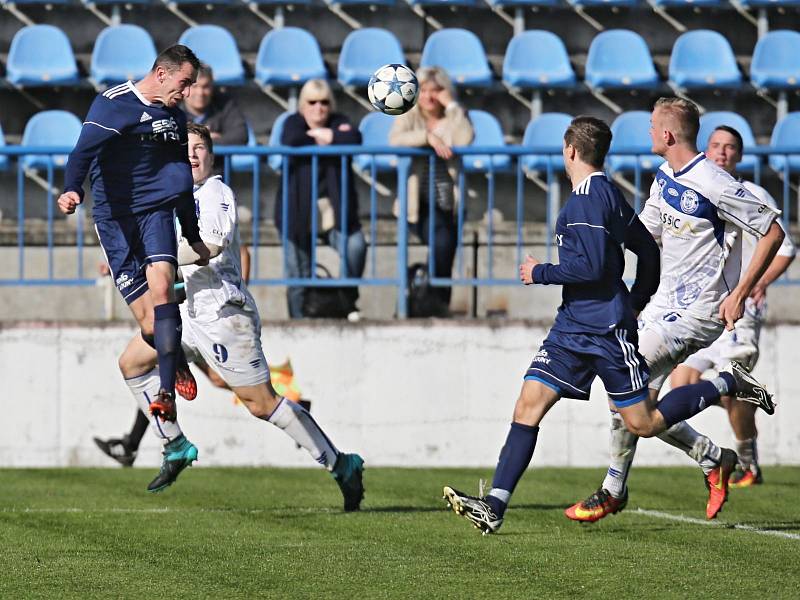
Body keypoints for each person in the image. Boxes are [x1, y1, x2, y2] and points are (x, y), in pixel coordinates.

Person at [442, 115, 775, 535]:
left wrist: (540, 271)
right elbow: (645, 251)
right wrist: (637, 299)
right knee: (528, 406)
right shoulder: (609, 194)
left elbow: (595, 265)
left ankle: (726, 385)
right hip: (571, 328)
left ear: (570, 151)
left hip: (604, 332)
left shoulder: (587, 201)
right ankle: (494, 505)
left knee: (643, 422)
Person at [113, 123, 364, 510]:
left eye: (200, 148)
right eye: (186, 149)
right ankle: (175, 443)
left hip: (223, 317)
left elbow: (211, 246)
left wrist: (156, 258)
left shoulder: (215, 193)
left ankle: (341, 464)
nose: (192, 154)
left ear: (211, 157)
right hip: (189, 311)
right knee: (131, 362)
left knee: (262, 405)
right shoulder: (178, 199)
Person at [564, 99, 785, 524]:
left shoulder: (713, 182)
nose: (647, 133)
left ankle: (724, 381)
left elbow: (773, 232)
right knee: (638, 409)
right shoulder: (665, 177)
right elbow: (644, 233)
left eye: (651, 127)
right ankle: (711, 457)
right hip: (662, 306)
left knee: (623, 384)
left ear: (667, 135)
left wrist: (741, 291)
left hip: (698, 312)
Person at [58, 45, 210, 421]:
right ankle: (172, 357)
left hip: (155, 213)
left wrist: (192, 234)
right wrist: (72, 188)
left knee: (162, 288)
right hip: (115, 219)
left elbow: (180, 181)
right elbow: (82, 152)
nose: (187, 92)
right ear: (162, 74)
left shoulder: (173, 117)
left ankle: (165, 391)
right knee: (149, 323)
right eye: (184, 82)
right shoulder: (114, 103)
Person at [670, 125, 796, 488]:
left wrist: (755, 284)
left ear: (739, 156)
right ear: (705, 150)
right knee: (681, 389)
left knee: (730, 384)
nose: (722, 152)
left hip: (740, 310)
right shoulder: (694, 191)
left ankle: (747, 464)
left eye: (730, 148)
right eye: (716, 146)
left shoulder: (752, 194)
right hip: (702, 307)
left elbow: (785, 248)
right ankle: (733, 406)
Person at [274, 79, 366, 319]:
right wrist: (327, 137)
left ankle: (348, 301)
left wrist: (328, 134)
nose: (318, 108)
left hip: (334, 210)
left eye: (324, 102)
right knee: (298, 275)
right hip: (298, 210)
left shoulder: (339, 120)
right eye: (312, 102)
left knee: (356, 246)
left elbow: (355, 138)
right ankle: (297, 323)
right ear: (303, 105)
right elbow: (291, 139)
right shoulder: (293, 121)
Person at [389, 67, 474, 312]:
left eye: (436, 91)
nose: (428, 97)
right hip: (418, 205)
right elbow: (395, 140)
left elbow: (463, 138)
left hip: (448, 203)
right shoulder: (409, 115)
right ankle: (434, 302)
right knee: (442, 241)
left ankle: (434, 301)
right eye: (424, 90)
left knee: (445, 248)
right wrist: (427, 138)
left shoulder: (455, 116)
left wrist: (453, 106)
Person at [182, 63, 248, 146]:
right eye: (195, 86)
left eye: (205, 87)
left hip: (216, 159)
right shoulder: (171, 107)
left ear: (212, 87)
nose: (200, 93)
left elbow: (241, 136)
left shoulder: (225, 104)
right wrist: (205, 137)